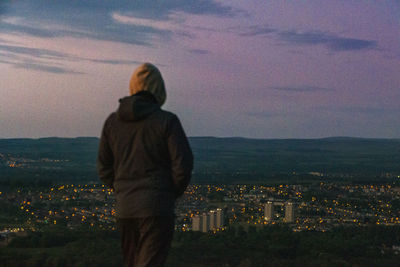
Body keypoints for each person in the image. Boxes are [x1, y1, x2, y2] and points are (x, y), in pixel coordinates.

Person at [97, 63, 193, 267]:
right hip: (157, 208)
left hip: (126, 209)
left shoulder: (112, 123)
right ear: (160, 90)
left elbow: (104, 168)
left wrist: (123, 190)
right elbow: (182, 165)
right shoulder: (167, 121)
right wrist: (168, 192)